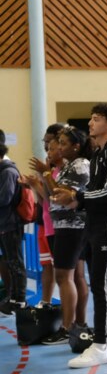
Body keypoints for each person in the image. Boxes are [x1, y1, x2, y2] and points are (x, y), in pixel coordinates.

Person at [52, 103, 107, 368]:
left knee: (101, 284)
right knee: (101, 283)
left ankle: (99, 345)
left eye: (96, 119)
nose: (90, 123)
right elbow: (94, 193)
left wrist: (76, 196)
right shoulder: (99, 152)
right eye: (91, 119)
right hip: (96, 222)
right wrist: (75, 200)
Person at [37, 126, 91, 345]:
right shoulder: (70, 165)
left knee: (64, 276)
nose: (58, 148)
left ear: (76, 146)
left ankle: (68, 327)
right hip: (63, 226)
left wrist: (47, 173)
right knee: (69, 276)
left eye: (63, 144)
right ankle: (73, 324)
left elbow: (59, 195)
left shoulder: (80, 165)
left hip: (73, 226)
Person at [27, 123, 64, 307]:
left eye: (51, 144)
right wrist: (34, 184)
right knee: (46, 265)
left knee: (64, 273)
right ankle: (45, 301)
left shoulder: (61, 169)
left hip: (59, 225)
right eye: (46, 144)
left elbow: (54, 197)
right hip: (45, 222)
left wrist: (37, 184)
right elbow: (44, 202)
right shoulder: (47, 165)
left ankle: (69, 317)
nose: (47, 148)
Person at [0, 129, 28, 315]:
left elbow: (4, 198)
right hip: (3, 224)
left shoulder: (8, 172)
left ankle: (19, 299)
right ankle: (11, 296)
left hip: (10, 224)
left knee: (15, 262)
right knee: (9, 261)